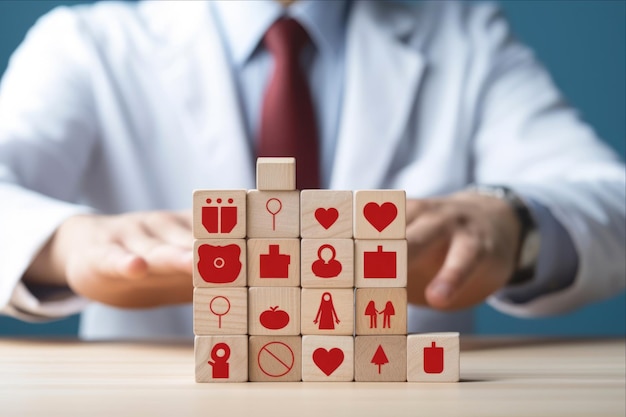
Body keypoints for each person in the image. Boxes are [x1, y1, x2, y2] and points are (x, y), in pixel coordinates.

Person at [0, 0, 624, 340]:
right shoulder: (83, 43)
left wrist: (513, 222)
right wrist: (60, 244)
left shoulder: (468, 36)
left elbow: (610, 198)